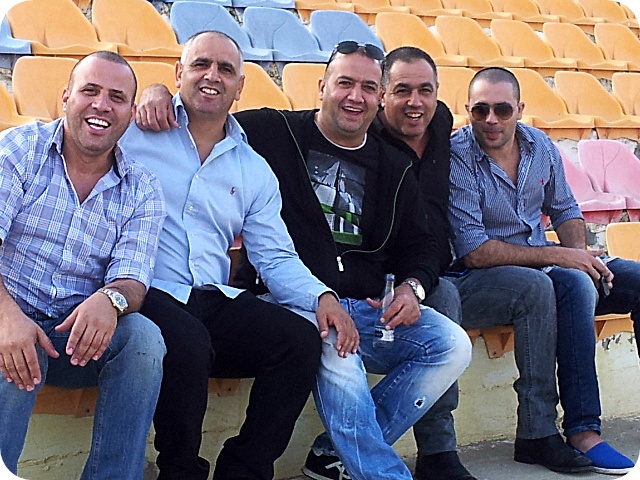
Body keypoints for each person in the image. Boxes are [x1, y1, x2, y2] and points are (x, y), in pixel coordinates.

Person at [136, 39, 472, 480]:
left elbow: (422, 245)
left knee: (451, 345)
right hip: (268, 298)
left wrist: (413, 287)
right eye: (344, 83)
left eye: (368, 87)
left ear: (379, 97)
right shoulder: (272, 133)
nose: (355, 96)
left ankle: (311, 458)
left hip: (359, 305)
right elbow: (203, 106)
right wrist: (155, 92)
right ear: (321, 86)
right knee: (320, 344)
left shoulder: (392, 166)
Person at [122, 31, 358, 480]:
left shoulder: (252, 168)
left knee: (298, 340)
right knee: (188, 341)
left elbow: (275, 256)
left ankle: (244, 472)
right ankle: (180, 473)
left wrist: (322, 297)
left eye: (225, 69)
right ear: (178, 73)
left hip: (211, 297)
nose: (212, 76)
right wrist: (147, 92)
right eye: (200, 64)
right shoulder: (134, 133)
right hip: (144, 288)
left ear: (240, 86)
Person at [447, 66, 639, 475]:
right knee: (571, 283)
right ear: (468, 110)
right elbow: (474, 251)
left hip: (546, 265)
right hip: (488, 279)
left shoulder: (540, 145)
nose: (491, 119)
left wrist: (579, 255)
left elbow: (566, 209)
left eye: (502, 109)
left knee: (633, 279)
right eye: (480, 110)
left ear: (519, 109)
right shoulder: (456, 156)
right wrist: (565, 260)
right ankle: (583, 430)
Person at [0, 51, 167, 479]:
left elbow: (133, 279)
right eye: (89, 91)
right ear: (66, 96)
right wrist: (7, 317)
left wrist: (110, 300)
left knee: (143, 338)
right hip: (10, 313)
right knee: (11, 350)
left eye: (117, 97)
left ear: (131, 112)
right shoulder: (20, 149)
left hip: (76, 337)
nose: (101, 105)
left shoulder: (143, 188)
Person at [371, 46, 474, 480]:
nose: (415, 102)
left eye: (425, 91)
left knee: (539, 289)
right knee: (443, 296)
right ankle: (437, 451)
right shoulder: (364, 134)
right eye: (402, 91)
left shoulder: (441, 121)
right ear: (381, 94)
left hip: (443, 264)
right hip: (387, 278)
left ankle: (544, 433)